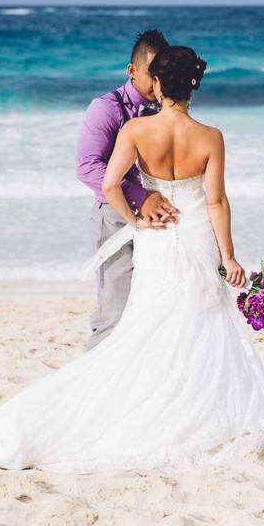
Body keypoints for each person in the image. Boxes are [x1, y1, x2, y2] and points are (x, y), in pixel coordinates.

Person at [0, 46, 264, 473]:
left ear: (156, 83)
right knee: (195, 317)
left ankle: (151, 402)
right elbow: (216, 202)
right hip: (195, 234)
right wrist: (229, 256)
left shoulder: (136, 130)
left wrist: (135, 221)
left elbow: (110, 182)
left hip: (156, 236)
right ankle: (188, 405)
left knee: (149, 319)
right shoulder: (211, 136)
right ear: (194, 84)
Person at [76, 29, 179, 350]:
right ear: (132, 71)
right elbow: (87, 167)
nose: (156, 83)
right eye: (151, 74)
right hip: (115, 218)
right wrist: (141, 197)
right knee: (114, 311)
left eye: (162, 75)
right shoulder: (105, 108)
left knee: (157, 308)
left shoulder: (167, 110)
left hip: (161, 221)